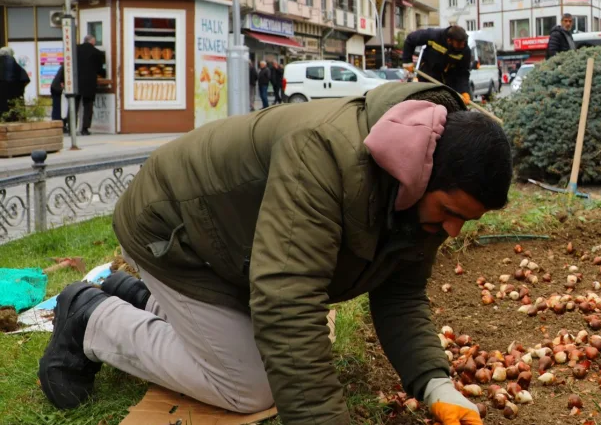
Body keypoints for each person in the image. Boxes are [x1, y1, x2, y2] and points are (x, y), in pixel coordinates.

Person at [38, 82, 512, 425]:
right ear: (421, 174)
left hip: (235, 247)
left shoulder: (416, 191)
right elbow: (288, 301)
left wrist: (435, 384)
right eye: (450, 211)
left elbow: (401, 294)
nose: (452, 229)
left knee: (270, 354)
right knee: (249, 385)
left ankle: (138, 299)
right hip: (175, 232)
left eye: (466, 221)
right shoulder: (327, 157)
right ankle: (91, 316)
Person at [401, 25, 472, 104]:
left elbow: (463, 73)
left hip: (449, 81)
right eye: (459, 44)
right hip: (428, 75)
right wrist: (407, 62)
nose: (462, 46)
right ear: (449, 40)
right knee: (426, 103)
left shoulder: (465, 51)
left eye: (464, 42)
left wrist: (464, 91)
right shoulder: (433, 36)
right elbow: (410, 39)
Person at [75, 36, 106, 136]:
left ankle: (70, 127)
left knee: (74, 104)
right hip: (89, 83)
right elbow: (100, 69)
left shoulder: (75, 49)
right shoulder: (97, 52)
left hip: (76, 81)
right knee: (88, 106)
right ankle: (85, 129)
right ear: (92, 42)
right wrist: (104, 74)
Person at [0, 46, 30, 120]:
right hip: (14, 96)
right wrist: (20, 88)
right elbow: (26, 79)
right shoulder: (15, 65)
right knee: (14, 114)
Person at [50, 67, 67, 131]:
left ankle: (57, 124)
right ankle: (57, 125)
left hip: (55, 87)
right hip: (57, 89)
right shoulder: (68, 66)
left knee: (57, 107)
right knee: (58, 108)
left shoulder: (64, 66)